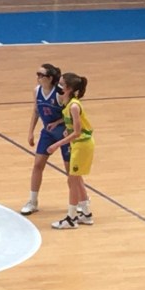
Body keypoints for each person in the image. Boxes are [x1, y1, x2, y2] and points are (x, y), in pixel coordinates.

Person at [46, 73, 95, 229]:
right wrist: (65, 129)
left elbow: (78, 132)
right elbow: (73, 127)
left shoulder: (74, 106)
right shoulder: (69, 105)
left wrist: (56, 144)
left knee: (73, 181)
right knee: (77, 179)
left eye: (61, 83)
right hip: (78, 144)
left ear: (68, 88)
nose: (58, 86)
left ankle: (71, 218)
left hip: (82, 144)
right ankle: (86, 214)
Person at [20, 63, 69, 215]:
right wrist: (30, 132)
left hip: (64, 133)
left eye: (41, 75)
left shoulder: (59, 93)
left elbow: (71, 114)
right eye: (37, 74)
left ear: (50, 78)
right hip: (48, 133)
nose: (38, 77)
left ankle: (81, 200)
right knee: (37, 165)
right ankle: (33, 201)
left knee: (70, 170)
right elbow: (36, 111)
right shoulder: (37, 91)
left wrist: (58, 122)